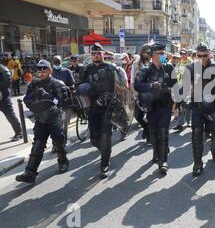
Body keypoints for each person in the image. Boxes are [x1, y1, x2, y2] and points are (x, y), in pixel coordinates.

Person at [15, 60, 71, 183]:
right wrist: (33, 101)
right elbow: (26, 100)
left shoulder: (58, 84)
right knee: (38, 145)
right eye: (39, 70)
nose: (41, 72)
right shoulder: (34, 84)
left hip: (55, 119)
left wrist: (48, 97)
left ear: (50, 70)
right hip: (40, 119)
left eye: (44, 70)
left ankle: (63, 161)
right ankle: (30, 172)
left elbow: (65, 103)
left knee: (58, 143)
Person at [78, 43, 121, 179]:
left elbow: (120, 88)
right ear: (91, 55)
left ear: (103, 54)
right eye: (94, 53)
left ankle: (104, 164)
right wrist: (85, 103)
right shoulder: (86, 69)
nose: (96, 55)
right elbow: (79, 88)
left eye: (99, 53)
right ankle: (105, 150)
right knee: (94, 139)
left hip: (107, 107)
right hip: (93, 108)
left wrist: (111, 97)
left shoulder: (111, 68)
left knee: (105, 136)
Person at [135, 43, 177, 174]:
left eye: (163, 53)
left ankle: (163, 161)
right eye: (160, 53)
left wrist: (176, 102)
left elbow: (176, 85)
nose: (163, 55)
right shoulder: (145, 69)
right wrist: (150, 85)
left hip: (165, 106)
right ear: (152, 55)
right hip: (152, 107)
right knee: (153, 132)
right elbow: (137, 85)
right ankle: (156, 151)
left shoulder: (169, 68)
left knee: (164, 132)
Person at [185, 44, 215, 177]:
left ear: (209, 54)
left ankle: (214, 149)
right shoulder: (191, 68)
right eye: (199, 55)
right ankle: (197, 163)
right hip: (197, 106)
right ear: (196, 55)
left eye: (205, 55)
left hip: (213, 106)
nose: (202, 58)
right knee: (196, 133)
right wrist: (185, 100)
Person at [131, 44, 152, 146]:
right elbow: (132, 79)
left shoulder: (153, 63)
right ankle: (145, 128)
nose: (146, 54)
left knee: (149, 118)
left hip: (150, 94)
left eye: (148, 53)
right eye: (145, 52)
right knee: (138, 116)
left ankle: (149, 138)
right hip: (139, 93)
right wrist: (133, 91)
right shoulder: (135, 64)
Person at [0, 64, 23, 141]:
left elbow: (7, 78)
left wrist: (1, 90)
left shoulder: (2, 69)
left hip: (3, 96)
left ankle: (19, 133)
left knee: (9, 114)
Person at [174, 49, 193, 131]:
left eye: (184, 54)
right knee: (180, 105)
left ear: (187, 54)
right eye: (181, 54)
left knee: (188, 105)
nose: (182, 55)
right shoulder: (179, 63)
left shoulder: (191, 62)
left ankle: (188, 121)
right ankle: (180, 124)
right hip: (179, 86)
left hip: (188, 86)